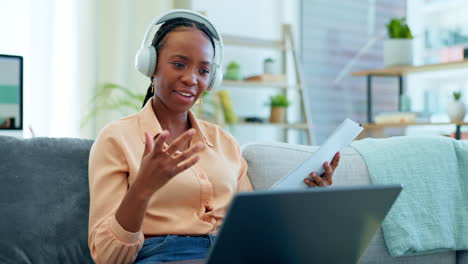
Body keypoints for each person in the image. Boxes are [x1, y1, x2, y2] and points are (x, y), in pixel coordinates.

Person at [87, 9, 340, 264]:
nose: (191, 79)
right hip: (164, 256)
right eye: (179, 64)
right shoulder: (117, 138)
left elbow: (252, 228)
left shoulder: (225, 143)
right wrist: (143, 188)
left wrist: (307, 197)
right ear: (150, 65)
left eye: (204, 71)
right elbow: (108, 257)